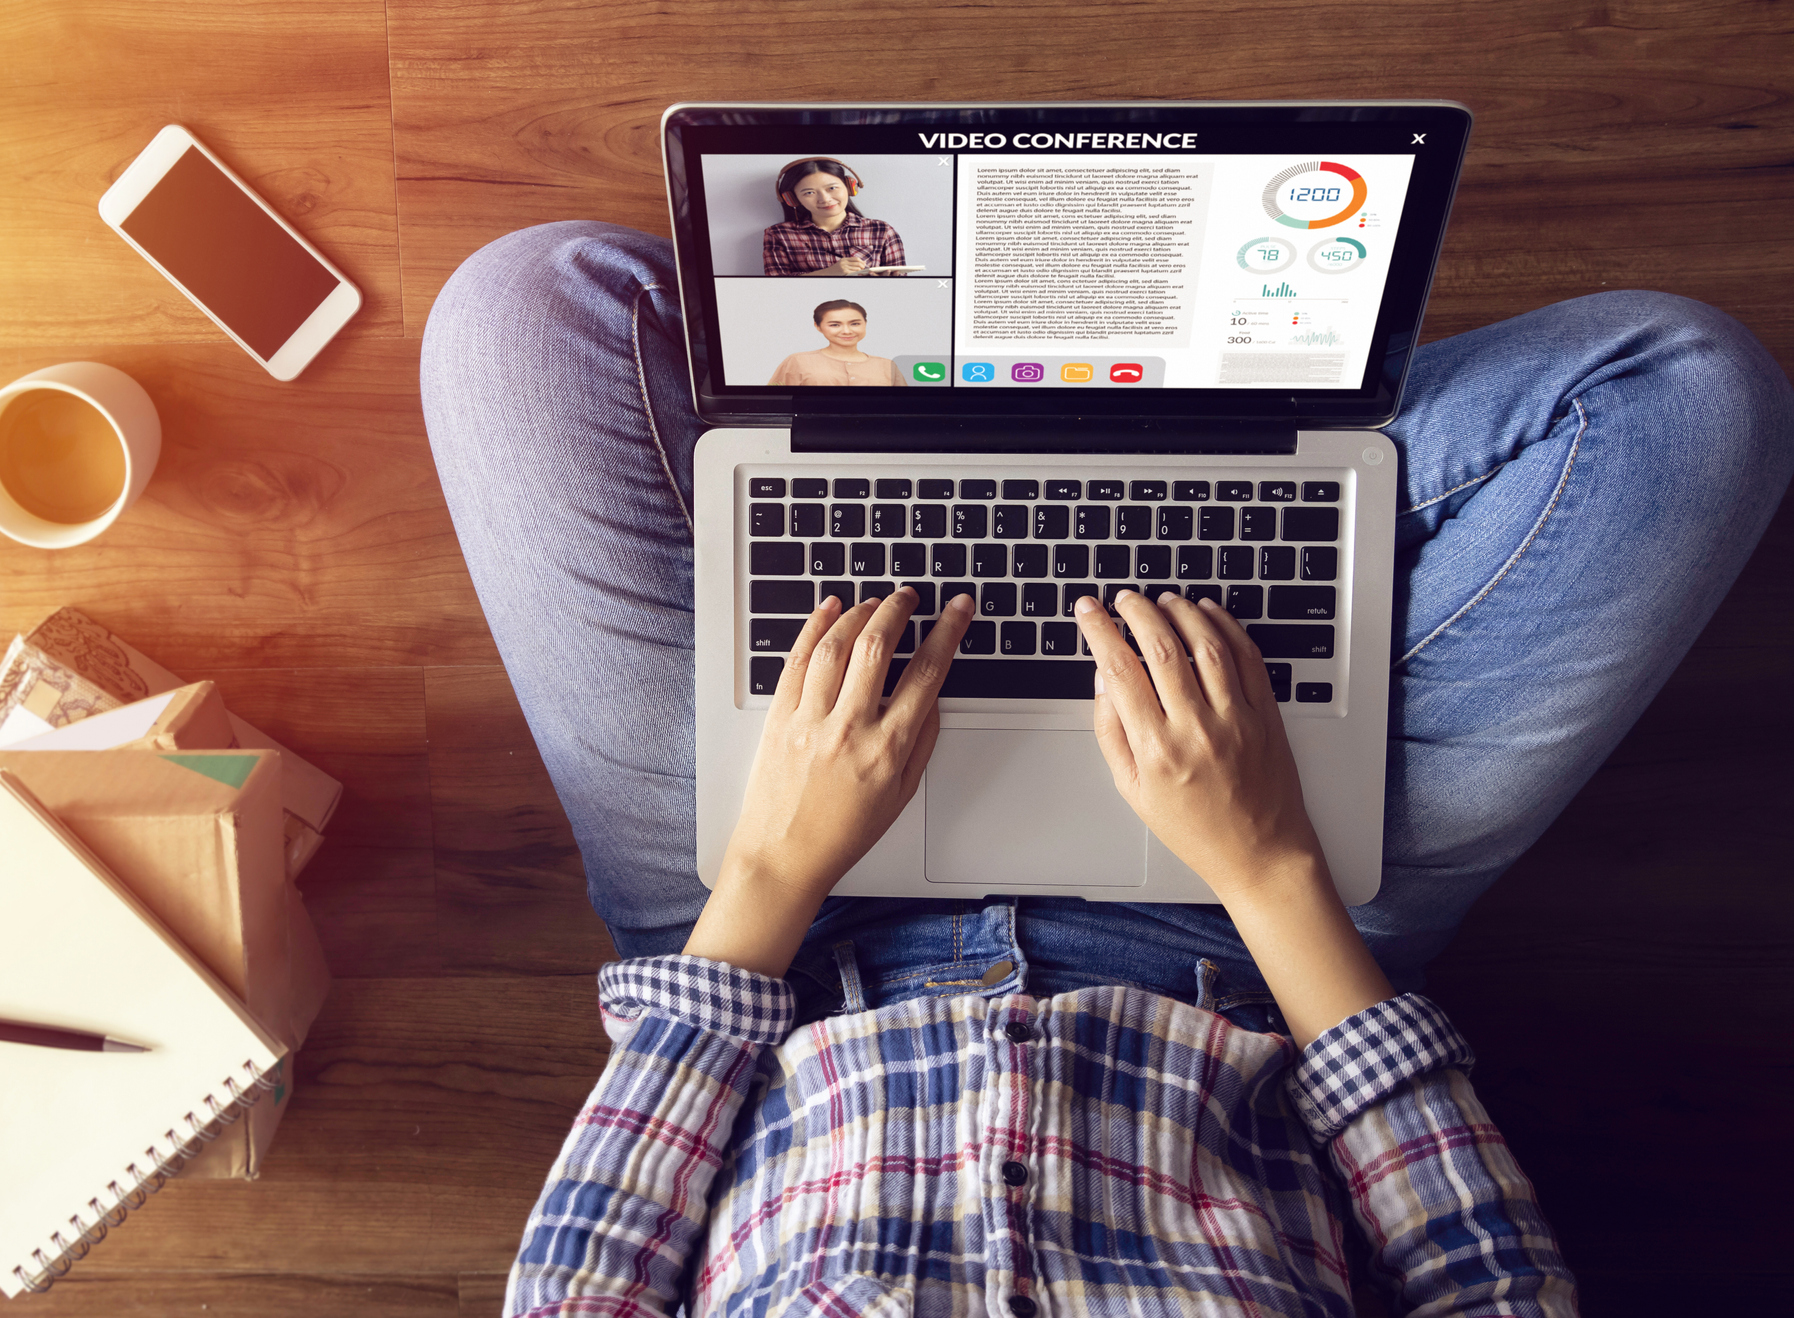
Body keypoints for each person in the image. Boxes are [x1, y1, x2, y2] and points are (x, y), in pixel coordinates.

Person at [420, 222, 1792, 1317]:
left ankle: (1040, 450)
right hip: (1251, 942)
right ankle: (1185, 442)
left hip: (780, 936)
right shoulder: (1264, 886)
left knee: (523, 314)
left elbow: (584, 1280)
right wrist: (1265, 863)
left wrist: (776, 860)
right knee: (1680, 398)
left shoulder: (772, 887)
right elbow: (1490, 1283)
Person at [762, 157, 907, 276]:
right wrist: (830, 272)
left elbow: (901, 287)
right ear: (792, 199)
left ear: (850, 187)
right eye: (809, 193)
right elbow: (776, 285)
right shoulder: (778, 234)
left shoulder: (882, 230)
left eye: (832, 188)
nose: (824, 199)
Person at [767, 298, 907, 386]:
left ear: (865, 323)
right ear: (818, 326)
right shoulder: (797, 361)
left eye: (855, 324)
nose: (846, 331)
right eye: (835, 325)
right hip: (813, 431)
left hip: (876, 432)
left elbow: (904, 407)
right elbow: (774, 402)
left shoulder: (887, 365)